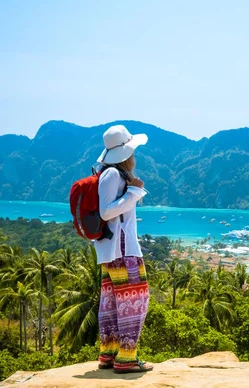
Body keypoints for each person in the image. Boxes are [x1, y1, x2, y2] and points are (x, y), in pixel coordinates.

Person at [94, 125, 153, 374]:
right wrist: (134, 191)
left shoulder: (111, 174)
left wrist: (131, 190)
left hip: (114, 251)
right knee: (135, 300)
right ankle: (127, 358)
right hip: (123, 251)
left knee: (111, 301)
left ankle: (109, 352)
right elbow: (106, 211)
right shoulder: (114, 176)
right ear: (127, 154)